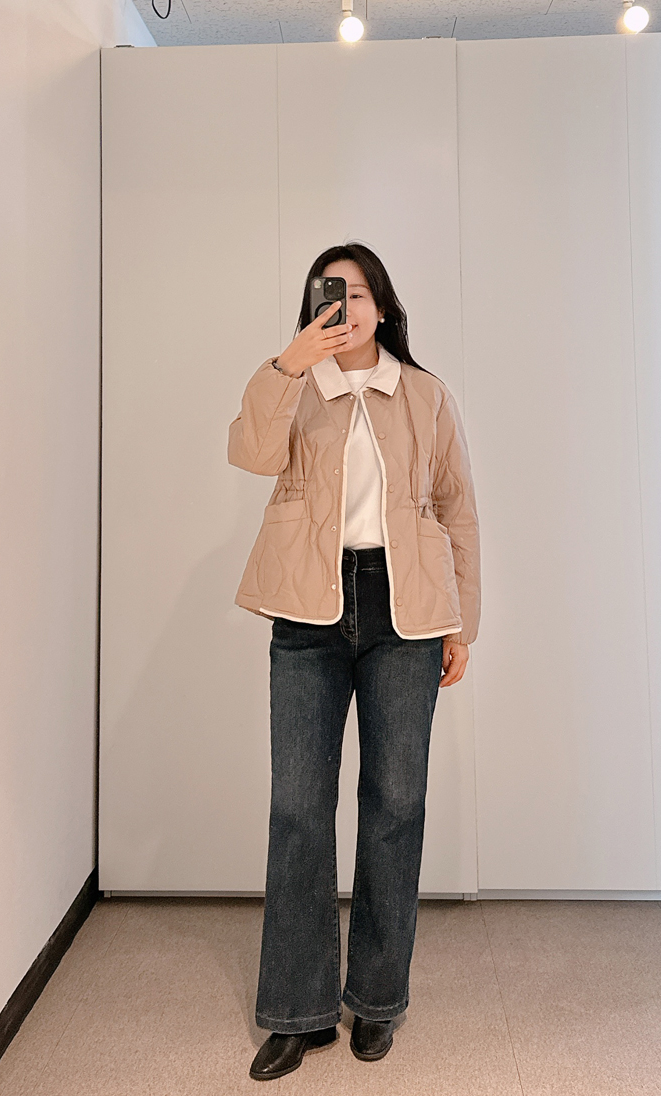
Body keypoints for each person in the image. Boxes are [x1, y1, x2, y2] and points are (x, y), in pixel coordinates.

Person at [227, 242, 481, 1081]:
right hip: (309, 609)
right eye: (334, 295)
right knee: (299, 808)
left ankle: (376, 999)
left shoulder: (425, 395)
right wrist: (287, 364)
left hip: (406, 612)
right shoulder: (295, 386)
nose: (350, 307)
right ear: (315, 308)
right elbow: (249, 453)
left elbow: (457, 510)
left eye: (363, 293)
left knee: (396, 803)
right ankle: (297, 1011)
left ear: (384, 306)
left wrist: (463, 623)